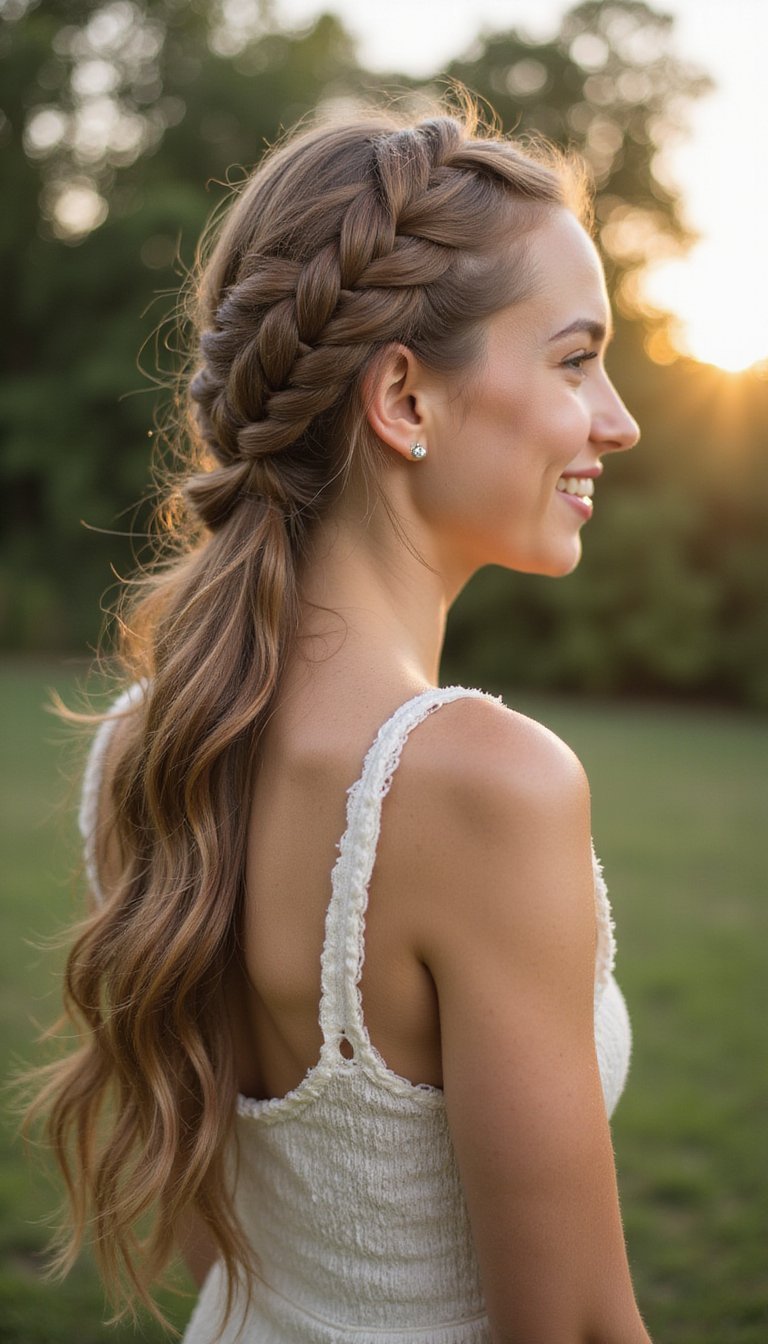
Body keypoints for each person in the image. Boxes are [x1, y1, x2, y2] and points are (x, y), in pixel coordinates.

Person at [29, 98, 650, 1342]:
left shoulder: (146, 750)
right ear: (405, 399)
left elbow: (220, 1232)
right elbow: (575, 1327)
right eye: (576, 360)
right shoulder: (486, 786)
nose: (618, 420)